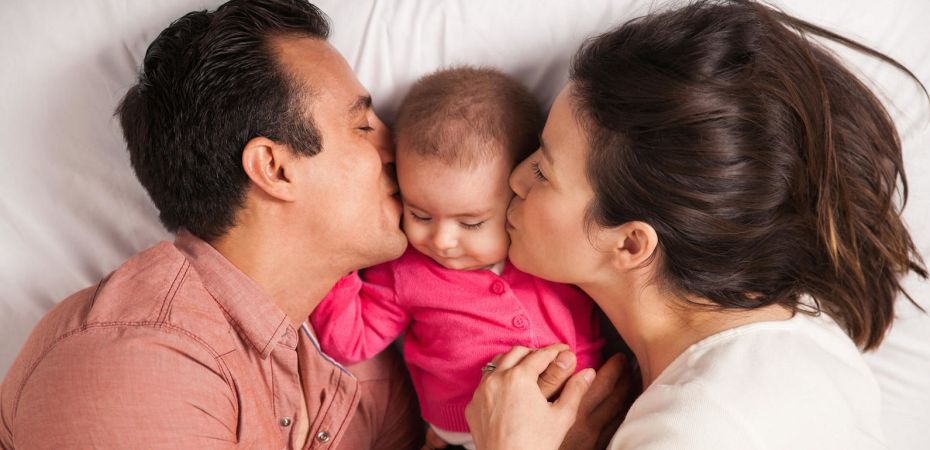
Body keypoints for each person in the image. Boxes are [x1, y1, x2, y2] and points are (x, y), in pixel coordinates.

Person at [465, 1, 928, 449]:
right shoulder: (797, 331)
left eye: (543, 171)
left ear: (630, 244)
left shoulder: (702, 425)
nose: (516, 179)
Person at [1, 0, 421, 448]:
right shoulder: (136, 360)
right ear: (275, 168)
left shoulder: (367, 376)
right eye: (363, 126)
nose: (400, 147)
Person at [310, 66, 605, 450]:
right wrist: (339, 256)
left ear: (520, 196)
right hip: (468, 436)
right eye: (419, 215)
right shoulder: (405, 270)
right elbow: (349, 341)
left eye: (471, 223)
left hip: (588, 415)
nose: (442, 241)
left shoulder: (550, 249)